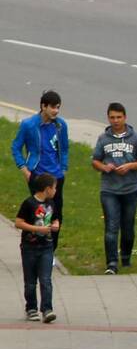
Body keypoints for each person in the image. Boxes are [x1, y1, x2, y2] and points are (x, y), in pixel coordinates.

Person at [91, 102, 137, 274]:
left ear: (125, 117)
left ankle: (125, 258)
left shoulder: (136, 138)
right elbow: (95, 160)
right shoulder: (103, 139)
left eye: (119, 117)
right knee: (111, 225)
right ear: (108, 118)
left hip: (131, 189)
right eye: (112, 117)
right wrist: (103, 167)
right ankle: (111, 263)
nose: (115, 121)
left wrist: (130, 166)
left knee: (128, 226)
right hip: (109, 189)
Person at [11, 90, 68, 251]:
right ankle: (34, 244)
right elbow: (16, 147)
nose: (56, 111)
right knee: (39, 210)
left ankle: (51, 250)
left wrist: (63, 168)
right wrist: (24, 168)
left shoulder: (60, 125)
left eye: (58, 107)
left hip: (56, 175)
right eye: (52, 107)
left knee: (56, 212)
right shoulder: (29, 125)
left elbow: (64, 149)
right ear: (43, 106)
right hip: (37, 174)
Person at [14, 174, 60, 323]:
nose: (55, 190)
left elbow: (55, 218)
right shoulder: (29, 203)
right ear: (47, 189)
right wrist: (35, 228)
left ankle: (47, 309)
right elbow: (18, 222)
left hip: (47, 246)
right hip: (29, 247)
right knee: (30, 281)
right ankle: (31, 308)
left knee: (46, 279)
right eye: (54, 188)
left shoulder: (52, 203)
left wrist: (55, 225)